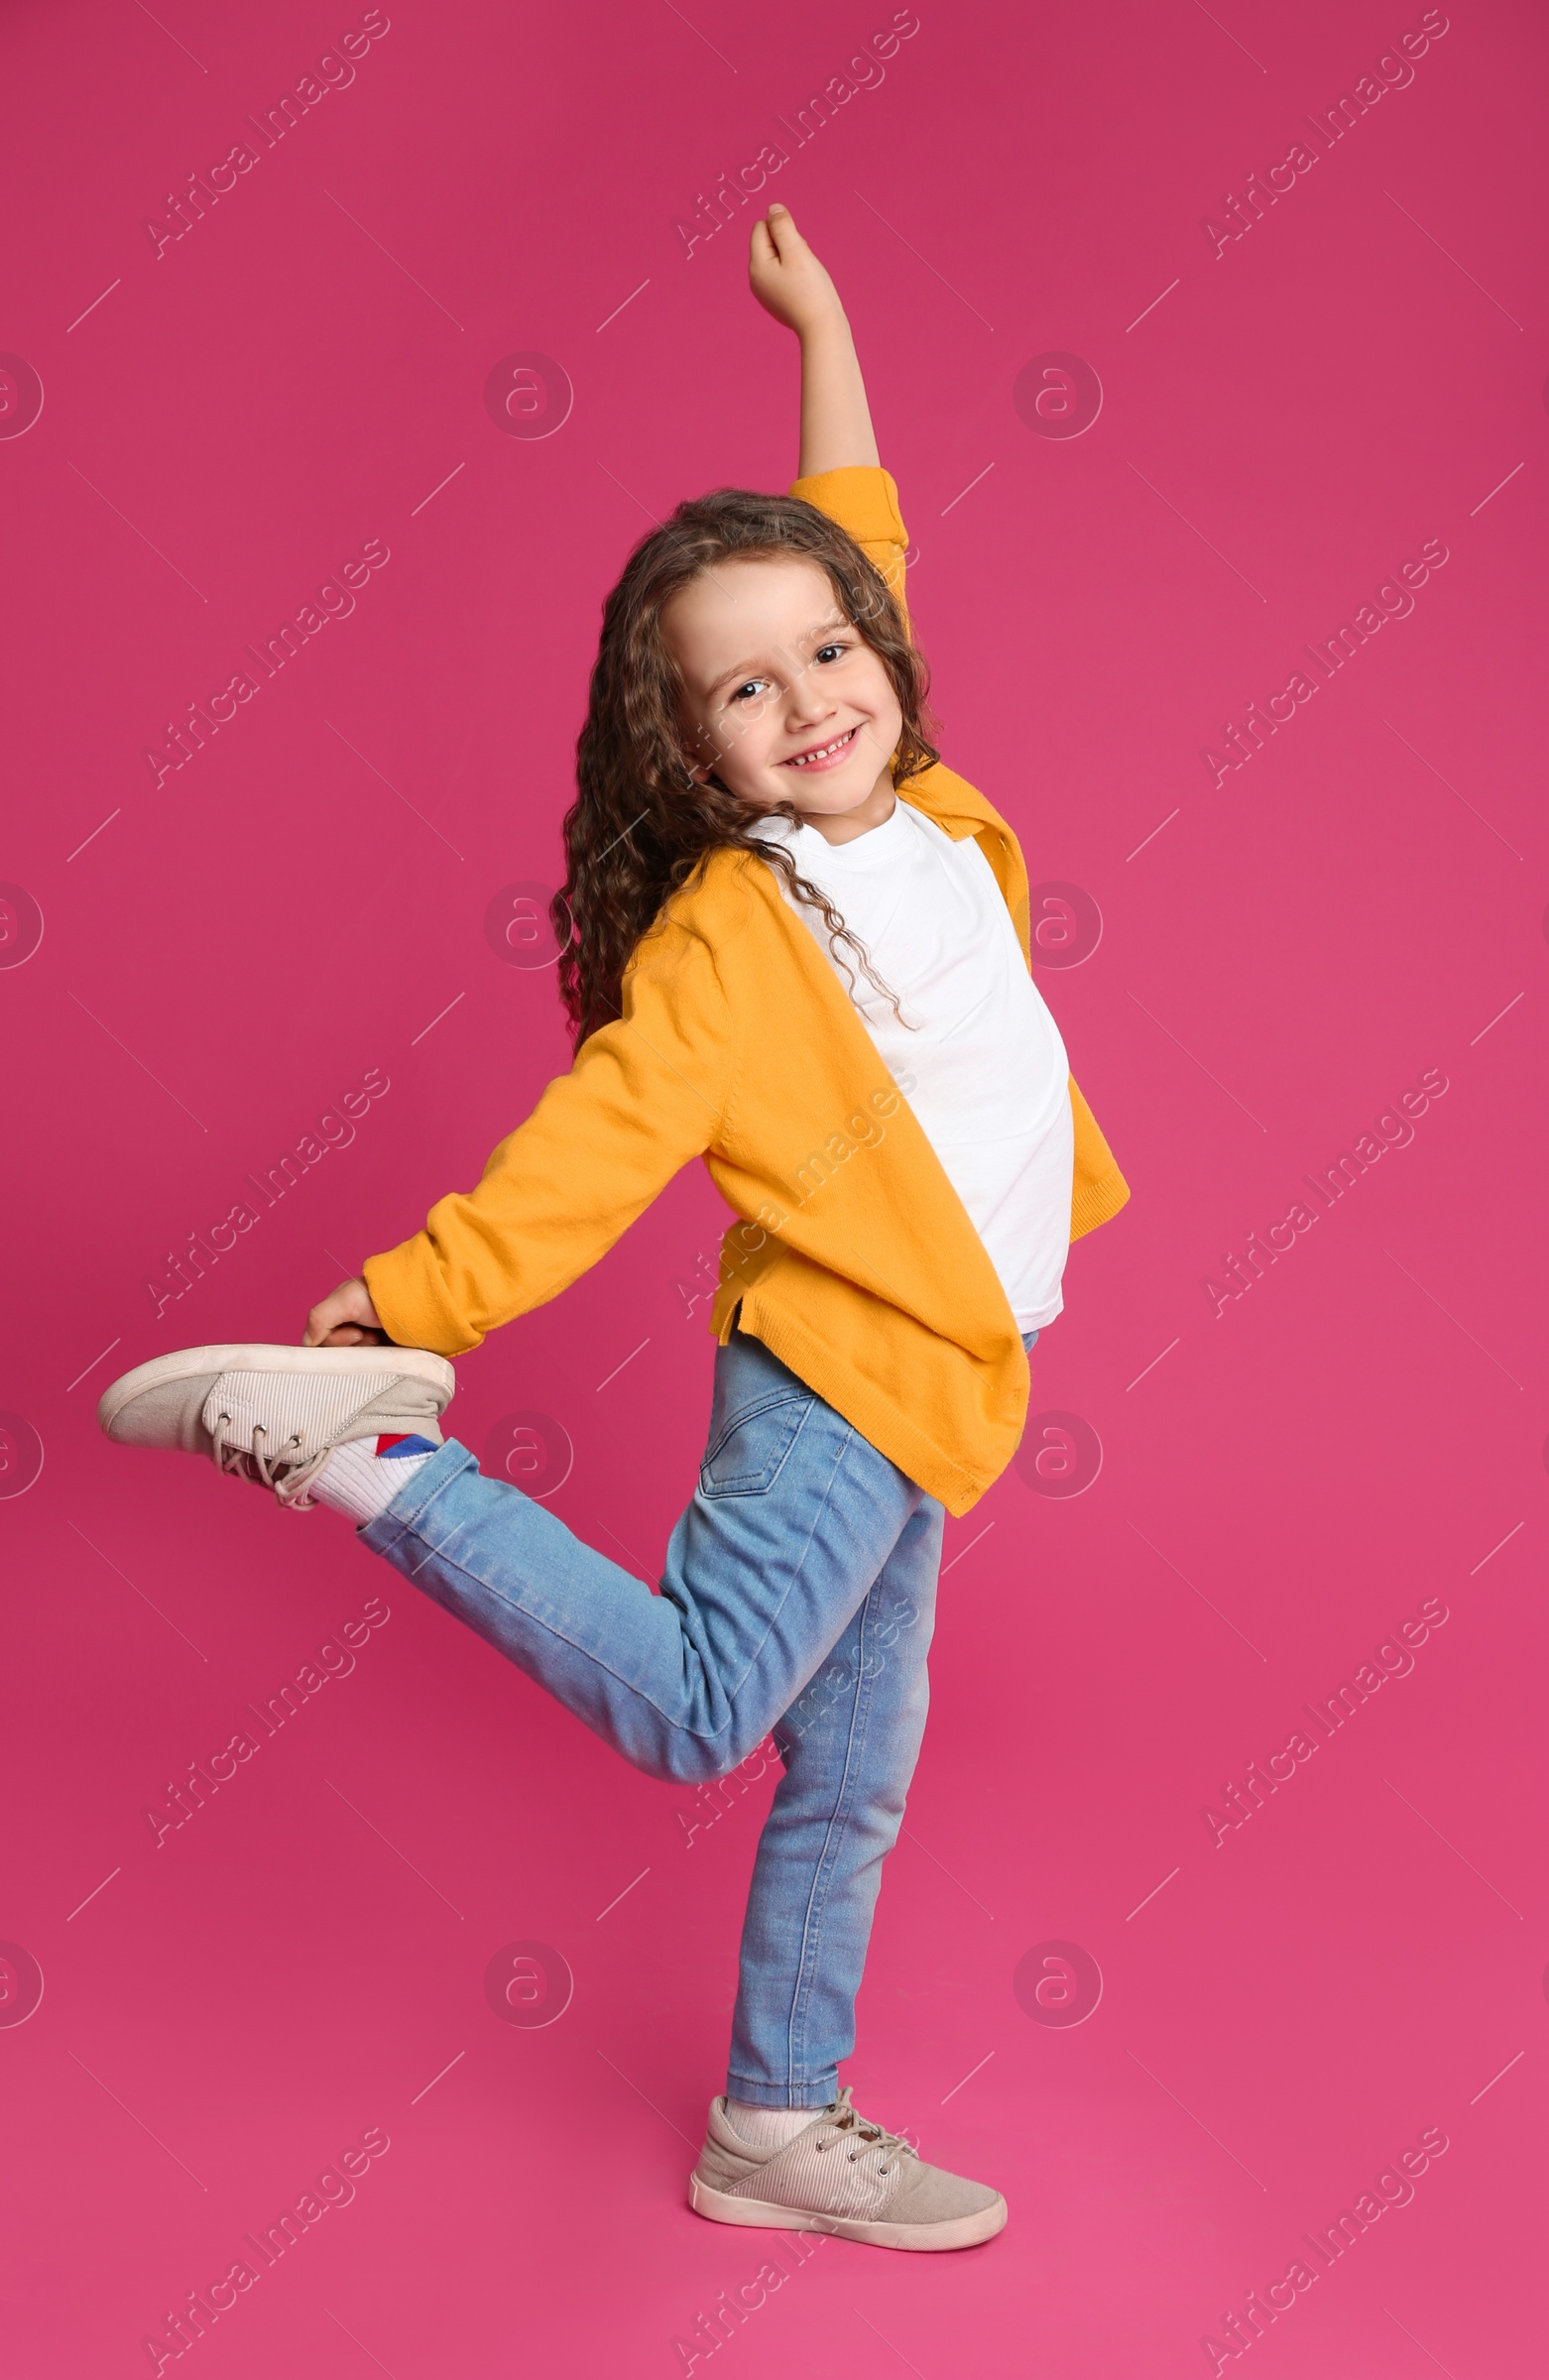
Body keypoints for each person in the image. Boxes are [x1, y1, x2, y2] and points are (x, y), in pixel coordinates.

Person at [98, 204, 1128, 2251]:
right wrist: (410, 1297)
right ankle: (363, 1458)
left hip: (934, 1393)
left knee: (850, 1779)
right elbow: (597, 1143)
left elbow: (852, 522)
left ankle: (771, 2121)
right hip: (833, 1385)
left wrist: (823, 320)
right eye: (748, 692)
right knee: (695, 1711)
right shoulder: (739, 933)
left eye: (828, 652)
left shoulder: (917, 796)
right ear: (692, 745)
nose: (810, 698)